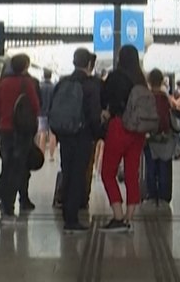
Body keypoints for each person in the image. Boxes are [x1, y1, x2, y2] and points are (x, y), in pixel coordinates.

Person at [0, 55, 40, 222]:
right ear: (26, 66)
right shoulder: (26, 83)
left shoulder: (3, 83)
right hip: (21, 133)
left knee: (6, 170)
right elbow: (36, 107)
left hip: (5, 131)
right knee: (15, 173)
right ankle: (5, 210)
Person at [100, 45, 149, 232]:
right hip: (139, 131)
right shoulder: (141, 80)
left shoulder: (116, 77)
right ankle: (129, 217)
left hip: (120, 126)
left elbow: (104, 97)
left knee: (107, 172)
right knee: (131, 173)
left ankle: (118, 215)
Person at [55, 48, 102, 234]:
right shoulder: (91, 85)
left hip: (65, 134)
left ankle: (65, 211)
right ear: (90, 64)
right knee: (78, 175)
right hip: (82, 135)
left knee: (67, 171)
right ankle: (72, 219)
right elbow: (94, 114)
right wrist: (98, 134)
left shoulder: (63, 82)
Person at [142, 68, 176, 206]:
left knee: (151, 166)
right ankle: (164, 195)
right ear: (162, 80)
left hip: (150, 136)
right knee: (165, 166)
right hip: (165, 137)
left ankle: (152, 193)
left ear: (149, 81)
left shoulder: (146, 97)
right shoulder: (166, 97)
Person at [39, 68, 57, 161]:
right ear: (50, 76)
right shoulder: (54, 87)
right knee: (52, 134)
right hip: (53, 113)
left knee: (42, 133)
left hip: (42, 113)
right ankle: (51, 156)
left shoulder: (40, 86)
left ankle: (42, 154)